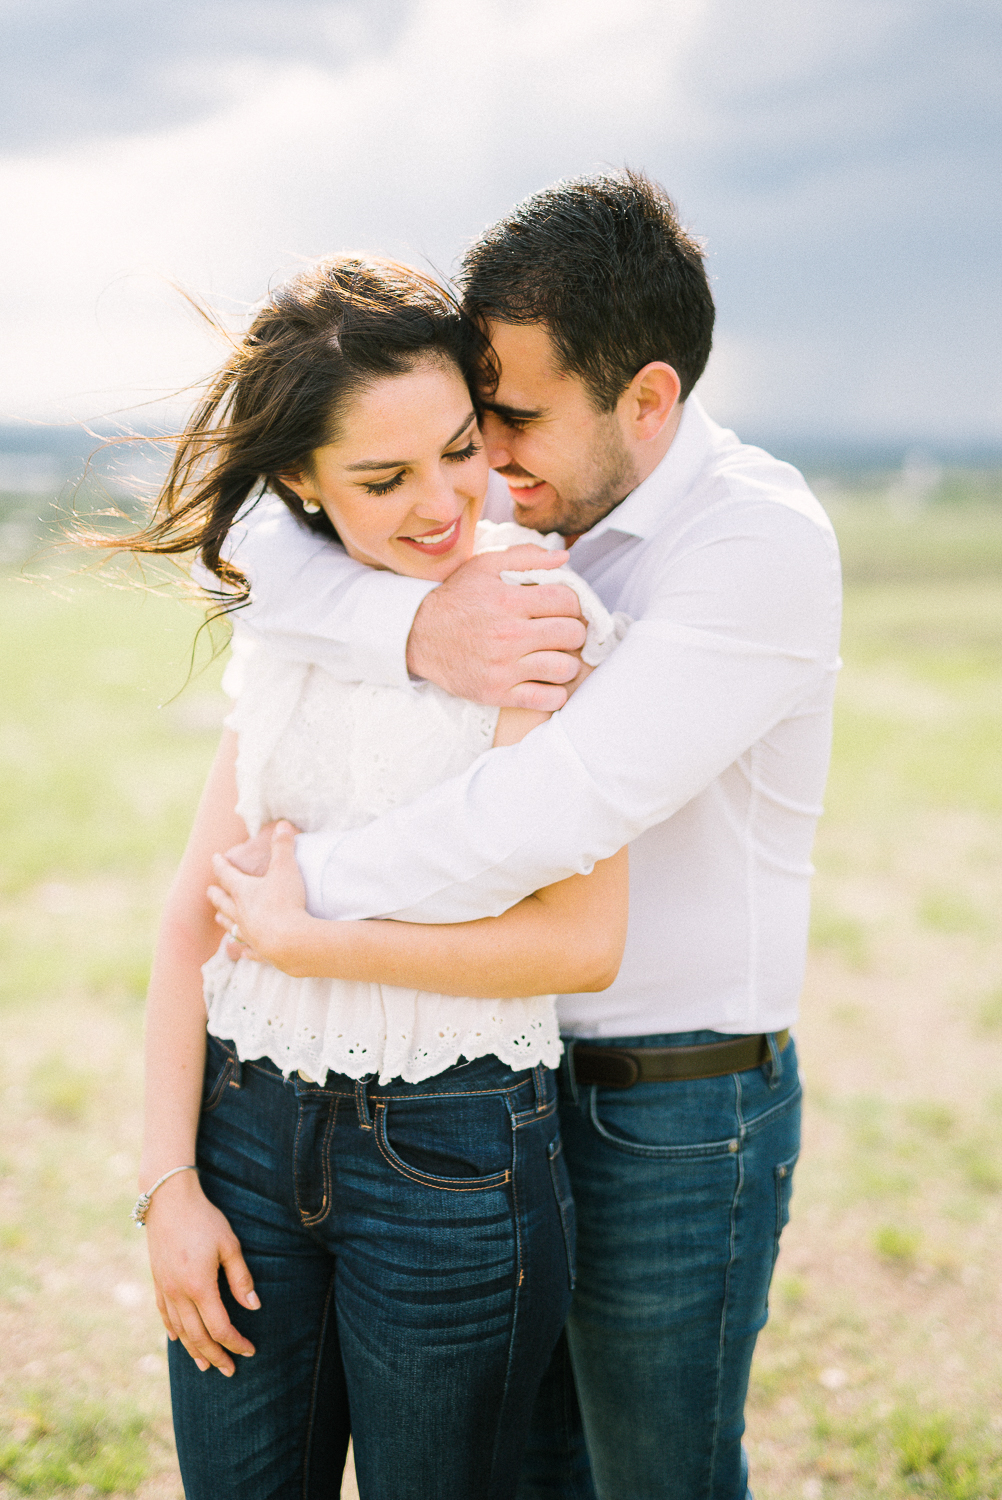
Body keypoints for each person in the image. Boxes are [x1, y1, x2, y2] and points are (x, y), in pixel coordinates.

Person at [211, 171, 843, 1500]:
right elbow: (269, 538)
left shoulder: (755, 545)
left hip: (675, 1106)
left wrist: (304, 902)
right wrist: (410, 628)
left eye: (511, 419)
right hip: (506, 1092)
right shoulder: (517, 505)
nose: (483, 461)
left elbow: (541, 816)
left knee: (652, 1479)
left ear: (649, 399)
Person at [119, 257, 631, 1500]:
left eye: (460, 448)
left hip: (455, 1155)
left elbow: (580, 942)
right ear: (299, 479)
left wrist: (318, 944)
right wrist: (166, 1185)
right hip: (241, 1134)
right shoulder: (288, 623)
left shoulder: (541, 615)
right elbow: (196, 906)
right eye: (383, 478)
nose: (444, 500)